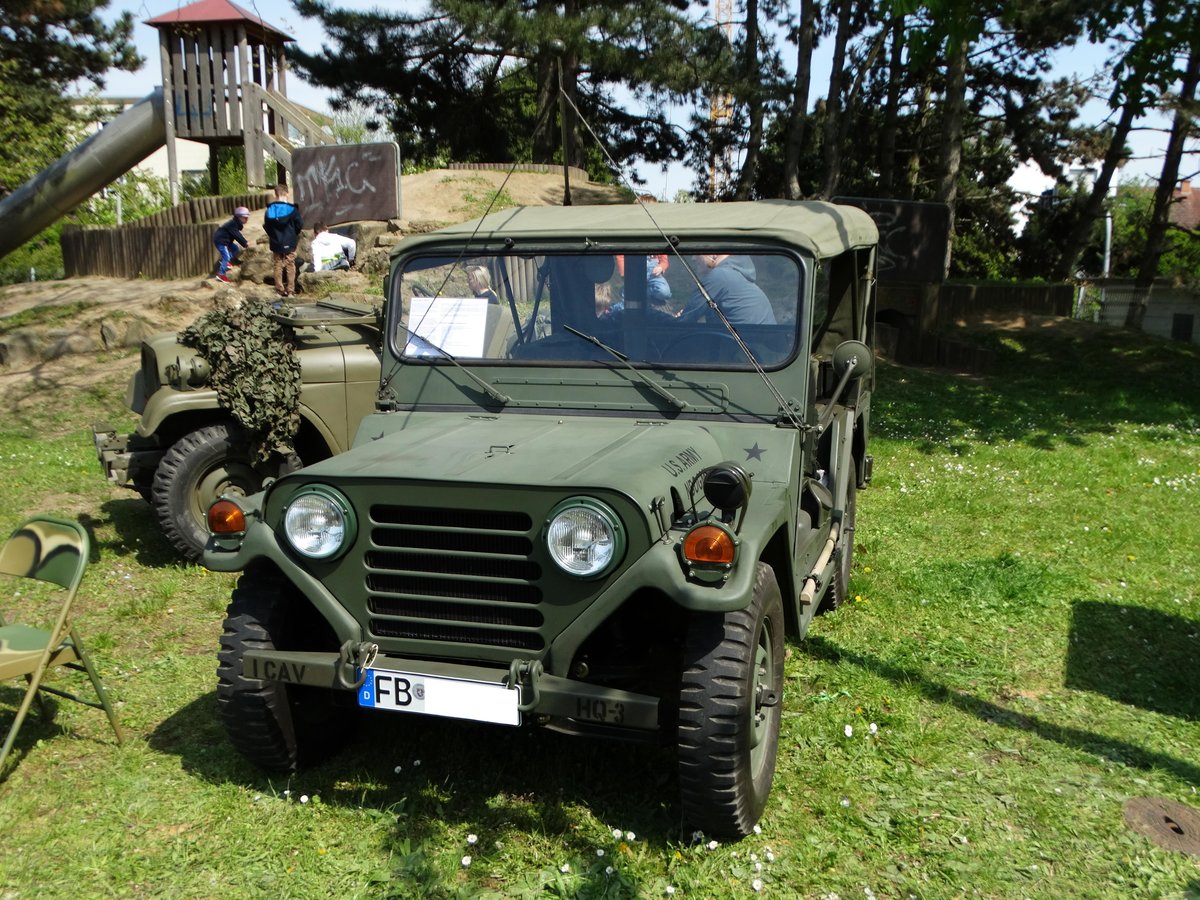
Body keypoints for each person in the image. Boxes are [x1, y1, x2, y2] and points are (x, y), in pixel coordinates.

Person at [677, 254, 776, 325]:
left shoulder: (719, 276)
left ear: (713, 253)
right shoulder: (735, 277)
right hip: (756, 349)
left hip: (742, 349)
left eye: (698, 252)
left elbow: (684, 323)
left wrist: (663, 318)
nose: (693, 258)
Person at [264, 184, 304, 298]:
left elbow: (267, 226)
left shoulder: (269, 210)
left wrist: (273, 236)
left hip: (276, 241)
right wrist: (293, 234)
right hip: (290, 240)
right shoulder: (292, 210)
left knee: (277, 264)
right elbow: (300, 224)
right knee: (290, 265)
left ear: (275, 195)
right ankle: (290, 290)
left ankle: (279, 290)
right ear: (287, 193)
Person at [211, 206, 250, 283]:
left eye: (247, 217)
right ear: (239, 217)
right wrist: (245, 243)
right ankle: (221, 274)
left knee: (235, 248)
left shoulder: (236, 223)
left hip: (226, 241)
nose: (247, 219)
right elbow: (237, 235)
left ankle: (225, 261)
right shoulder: (233, 224)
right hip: (221, 241)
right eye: (245, 218)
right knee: (227, 256)